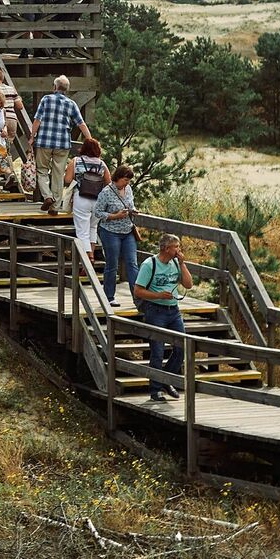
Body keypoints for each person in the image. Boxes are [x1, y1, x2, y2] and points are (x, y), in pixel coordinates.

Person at [133, 233, 192, 401]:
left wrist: (182, 263)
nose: (179, 250)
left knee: (182, 347)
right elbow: (137, 291)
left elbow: (188, 284)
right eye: (176, 247)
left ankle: (167, 379)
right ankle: (155, 390)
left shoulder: (176, 262)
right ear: (167, 248)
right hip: (155, 310)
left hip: (173, 311)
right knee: (158, 351)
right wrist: (158, 295)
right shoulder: (149, 264)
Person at [29, 75, 91, 215]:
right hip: (63, 143)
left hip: (44, 141)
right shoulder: (71, 104)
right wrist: (90, 139)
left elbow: (37, 120)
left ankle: (47, 196)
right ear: (67, 89)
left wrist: (32, 137)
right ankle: (56, 206)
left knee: (42, 170)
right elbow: (81, 124)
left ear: (54, 87)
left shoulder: (46, 99)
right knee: (58, 174)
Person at [93, 166, 138, 305]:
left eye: (129, 180)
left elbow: (130, 204)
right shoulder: (106, 192)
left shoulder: (128, 189)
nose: (127, 183)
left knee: (132, 263)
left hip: (127, 230)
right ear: (117, 178)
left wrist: (133, 210)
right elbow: (97, 212)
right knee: (112, 264)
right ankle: (109, 297)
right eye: (125, 180)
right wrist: (115, 216)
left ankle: (138, 297)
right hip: (110, 232)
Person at [67, 138, 108, 261]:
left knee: (82, 230)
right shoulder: (102, 164)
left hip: (81, 197)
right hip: (97, 199)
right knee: (93, 227)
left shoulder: (76, 161)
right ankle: (92, 253)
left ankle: (87, 257)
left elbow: (67, 180)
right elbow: (109, 182)